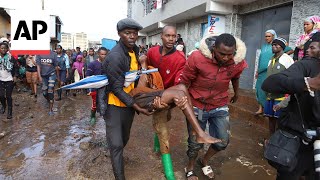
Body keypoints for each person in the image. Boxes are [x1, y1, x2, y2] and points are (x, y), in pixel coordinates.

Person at [181, 33, 248, 179]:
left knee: (223, 141)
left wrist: (236, 93)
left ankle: (204, 160)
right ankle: (190, 166)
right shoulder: (197, 58)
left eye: (229, 54)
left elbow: (235, 77)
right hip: (197, 104)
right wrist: (183, 101)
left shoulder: (237, 61)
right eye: (222, 54)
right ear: (213, 48)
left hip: (219, 104)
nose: (225, 58)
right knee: (195, 142)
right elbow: (184, 81)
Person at [101, 18, 153, 180]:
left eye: (134, 33)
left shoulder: (134, 51)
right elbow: (116, 89)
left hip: (129, 104)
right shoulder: (116, 56)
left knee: (124, 139)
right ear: (119, 34)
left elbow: (136, 77)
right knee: (116, 145)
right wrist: (137, 107)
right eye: (127, 33)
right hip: (114, 104)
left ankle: (116, 153)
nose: (132, 36)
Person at [262, 39, 320, 180]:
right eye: (308, 47)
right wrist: (308, 83)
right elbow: (270, 83)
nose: (308, 51)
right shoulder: (307, 65)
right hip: (298, 140)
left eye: (312, 48)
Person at [146, 25, 186, 179]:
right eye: (168, 36)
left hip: (169, 98)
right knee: (162, 128)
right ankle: (169, 174)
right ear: (161, 37)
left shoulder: (180, 58)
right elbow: (147, 70)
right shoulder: (152, 52)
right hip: (153, 96)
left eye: (173, 36)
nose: (171, 39)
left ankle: (157, 146)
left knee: (164, 118)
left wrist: (174, 99)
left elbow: (179, 83)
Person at [255, 30, 293, 115]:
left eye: (269, 36)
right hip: (263, 71)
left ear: (273, 36)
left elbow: (290, 50)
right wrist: (257, 70)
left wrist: (282, 56)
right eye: (266, 36)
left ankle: (265, 108)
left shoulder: (280, 49)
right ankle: (261, 108)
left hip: (271, 71)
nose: (267, 38)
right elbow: (261, 59)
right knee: (259, 89)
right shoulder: (264, 46)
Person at [264, 37, 294, 136]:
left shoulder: (287, 59)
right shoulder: (271, 59)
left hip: (281, 96)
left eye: (276, 45)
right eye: (273, 45)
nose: (274, 46)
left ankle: (278, 140)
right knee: (270, 117)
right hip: (270, 95)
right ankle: (271, 137)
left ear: (282, 47)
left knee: (279, 119)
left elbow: (292, 76)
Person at [86, 47, 108, 126]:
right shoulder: (92, 64)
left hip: (106, 87)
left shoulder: (109, 64)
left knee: (106, 103)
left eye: (105, 54)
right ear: (98, 54)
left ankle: (107, 118)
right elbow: (88, 76)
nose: (104, 56)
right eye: (102, 54)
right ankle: (92, 116)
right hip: (95, 88)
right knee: (94, 104)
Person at [36, 50, 59, 115]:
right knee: (44, 93)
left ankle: (50, 109)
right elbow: (38, 66)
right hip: (43, 76)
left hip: (52, 74)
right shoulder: (39, 54)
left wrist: (58, 77)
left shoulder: (53, 54)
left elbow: (56, 66)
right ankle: (49, 100)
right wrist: (39, 76)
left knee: (50, 90)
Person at [0, 42, 18, 120]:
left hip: (9, 79)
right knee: (1, 96)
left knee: (8, 96)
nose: (3, 49)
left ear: (7, 49)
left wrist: (15, 76)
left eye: (5, 48)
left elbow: (16, 67)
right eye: (2, 48)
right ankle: (4, 106)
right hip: (0, 79)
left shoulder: (11, 58)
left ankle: (9, 112)